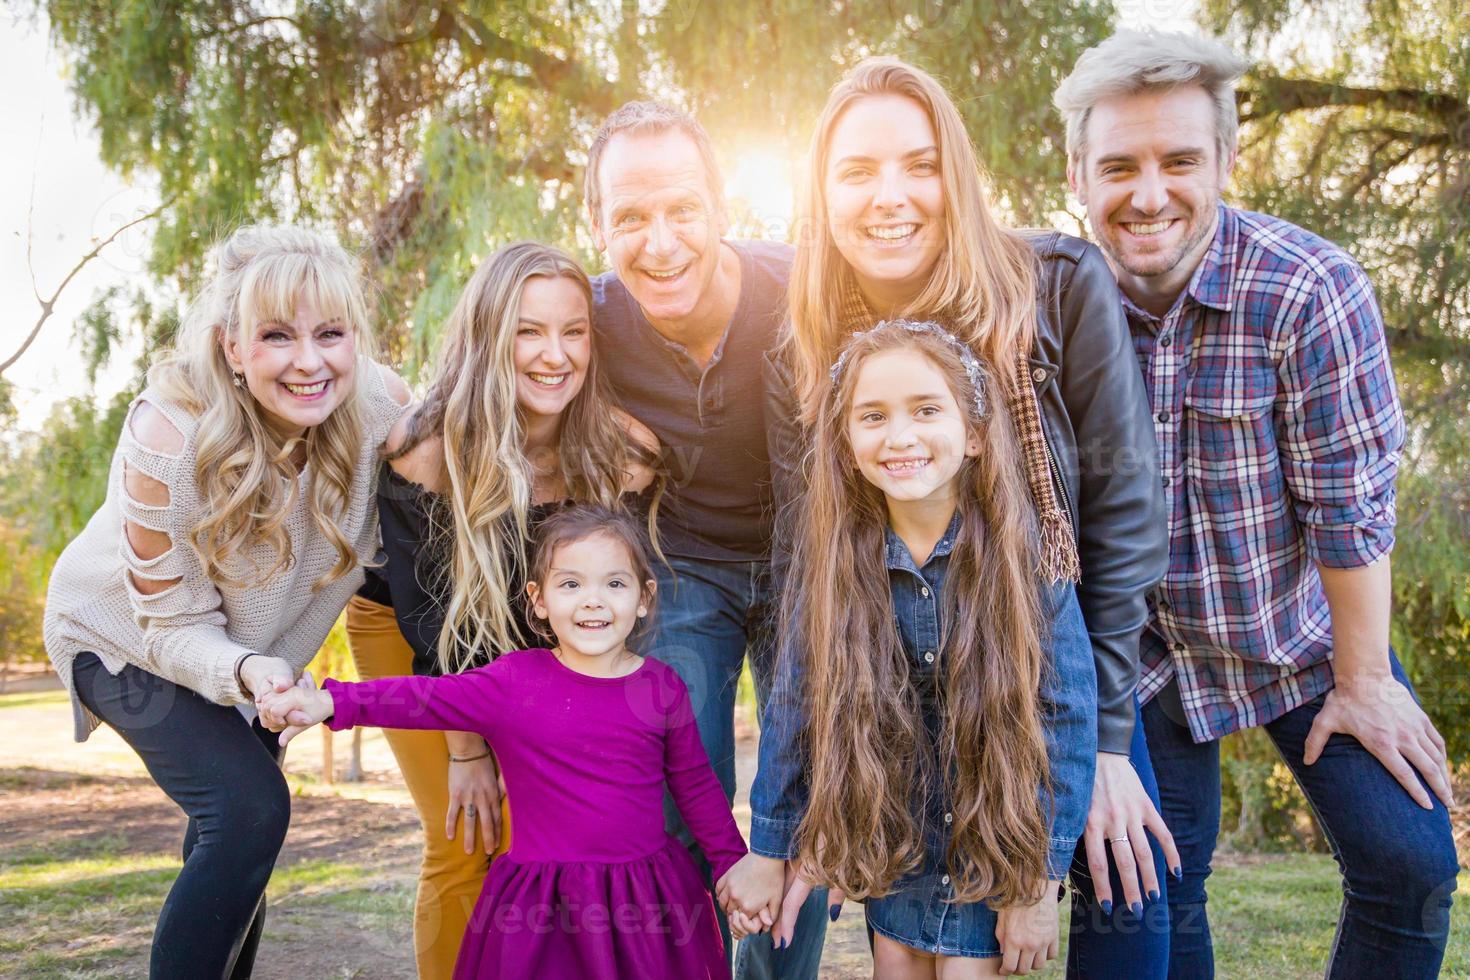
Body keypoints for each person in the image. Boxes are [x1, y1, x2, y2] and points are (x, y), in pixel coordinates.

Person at [722, 56, 1176, 977]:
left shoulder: (1053, 284)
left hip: (1046, 671)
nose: (891, 196)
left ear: (956, 175)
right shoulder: (801, 337)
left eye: (919, 164)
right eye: (857, 172)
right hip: (888, 691)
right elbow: (808, 550)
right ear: (823, 191)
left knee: (1133, 903)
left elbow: (1124, 513)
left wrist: (1109, 745)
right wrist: (820, 772)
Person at [1054, 29, 1459, 977]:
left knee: (1411, 862)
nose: (1148, 194)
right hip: (1141, 652)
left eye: (1180, 161)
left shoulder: (1310, 291)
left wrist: (1364, 683)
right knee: (1148, 884)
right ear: (1076, 175)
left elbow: (1350, 508)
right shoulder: (1046, 301)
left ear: (1228, 162)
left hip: (1301, 632)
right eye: (1118, 165)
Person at [42, 224, 411, 979]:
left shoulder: (381, 409)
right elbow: (172, 625)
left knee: (239, 840)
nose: (309, 361)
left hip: (254, 659)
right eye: (276, 336)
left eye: (331, 334)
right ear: (232, 348)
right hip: (122, 638)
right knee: (249, 809)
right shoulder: (166, 437)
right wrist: (248, 672)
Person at [728, 321, 1097, 977]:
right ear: (845, 447)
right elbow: (793, 703)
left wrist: (1040, 884)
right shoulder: (835, 571)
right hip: (893, 842)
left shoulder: (1028, 560)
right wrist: (769, 847)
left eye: (926, 409)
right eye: (872, 416)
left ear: (976, 434)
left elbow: (1067, 719)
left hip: (994, 842)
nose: (899, 436)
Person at [344, 241, 659, 978]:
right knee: (464, 833)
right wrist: (469, 753)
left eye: (573, 331)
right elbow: (434, 626)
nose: (555, 354)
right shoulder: (427, 447)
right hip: (411, 635)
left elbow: (607, 608)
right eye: (527, 330)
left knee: (549, 835)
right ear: (490, 335)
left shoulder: (624, 455)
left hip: (533, 645)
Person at [262, 505, 747, 980]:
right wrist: (331, 702)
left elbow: (696, 786)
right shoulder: (516, 681)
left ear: (644, 598)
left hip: (642, 899)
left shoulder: (660, 688)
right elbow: (423, 698)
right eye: (571, 584)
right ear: (539, 600)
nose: (593, 600)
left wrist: (731, 864)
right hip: (542, 906)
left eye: (614, 584)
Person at [584, 100, 828, 978]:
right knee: (679, 781)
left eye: (682, 209)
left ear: (723, 209)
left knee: (794, 800)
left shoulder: (801, 289)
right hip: (683, 563)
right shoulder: (590, 327)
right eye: (631, 218)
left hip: (810, 558)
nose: (660, 242)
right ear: (597, 229)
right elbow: (491, 409)